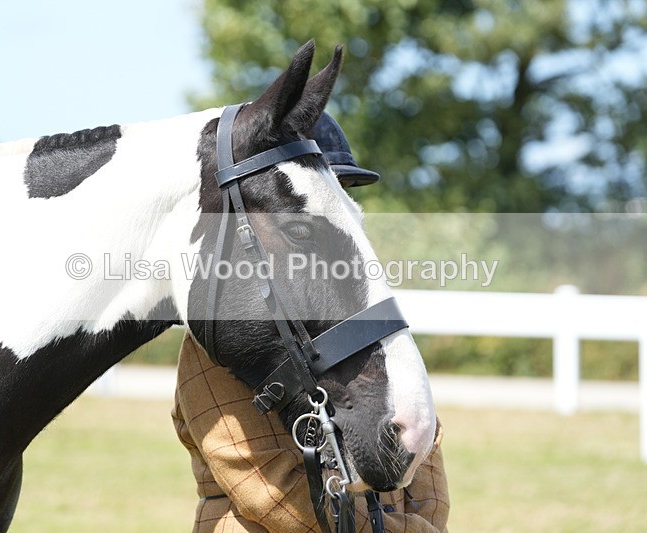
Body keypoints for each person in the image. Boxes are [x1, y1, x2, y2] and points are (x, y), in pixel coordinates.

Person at [171, 113, 450, 532]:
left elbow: (425, 458)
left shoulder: (364, 326)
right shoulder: (227, 340)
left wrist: (425, 524)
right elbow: (268, 490)